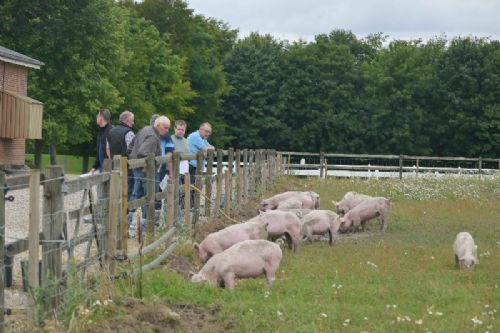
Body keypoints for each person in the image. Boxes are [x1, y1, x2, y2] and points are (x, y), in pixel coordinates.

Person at [128, 116, 170, 225]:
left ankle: (128, 220)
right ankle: (147, 222)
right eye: (165, 127)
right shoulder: (153, 136)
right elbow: (144, 153)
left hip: (136, 168)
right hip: (146, 170)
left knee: (137, 193)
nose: (167, 130)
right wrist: (147, 166)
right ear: (158, 125)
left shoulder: (144, 129)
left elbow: (130, 147)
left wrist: (133, 160)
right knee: (150, 194)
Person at [106, 110, 135, 200]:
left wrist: (112, 161)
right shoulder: (129, 132)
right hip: (127, 167)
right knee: (127, 192)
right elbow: (133, 151)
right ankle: (126, 212)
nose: (133, 123)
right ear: (127, 121)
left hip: (114, 166)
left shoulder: (110, 132)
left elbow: (107, 149)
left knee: (115, 191)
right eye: (132, 120)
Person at [187, 122, 215, 206]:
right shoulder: (195, 136)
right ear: (200, 129)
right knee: (192, 187)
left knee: (196, 186)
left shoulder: (202, 138)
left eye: (209, 132)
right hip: (191, 165)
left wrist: (210, 149)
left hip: (197, 166)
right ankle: (189, 207)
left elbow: (211, 148)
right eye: (206, 131)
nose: (208, 134)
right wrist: (209, 149)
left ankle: (193, 207)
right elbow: (207, 148)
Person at [90, 108, 113, 174]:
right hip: (101, 168)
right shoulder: (100, 132)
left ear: (101, 118)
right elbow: (99, 150)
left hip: (108, 169)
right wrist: (95, 166)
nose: (96, 118)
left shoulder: (111, 131)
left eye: (98, 116)